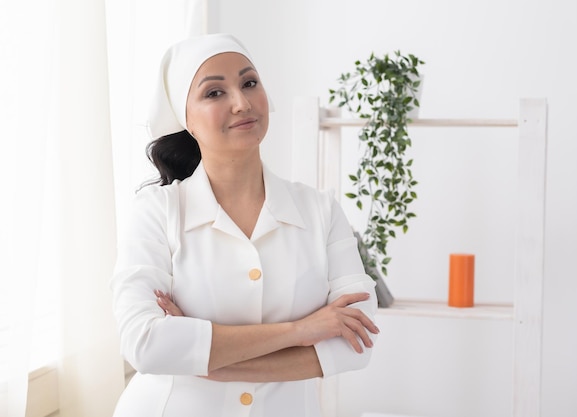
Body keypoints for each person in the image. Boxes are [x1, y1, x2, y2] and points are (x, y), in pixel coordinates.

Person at [110, 33, 379, 417]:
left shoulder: (320, 210)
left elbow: (359, 339)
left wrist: (207, 359)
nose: (241, 103)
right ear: (185, 118)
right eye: (214, 93)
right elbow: (144, 342)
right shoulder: (157, 211)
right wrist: (302, 331)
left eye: (249, 83)